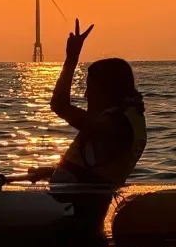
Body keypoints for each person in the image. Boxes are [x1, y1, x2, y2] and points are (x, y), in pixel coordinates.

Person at [27, 20, 146, 190]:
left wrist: (71, 58)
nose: (85, 95)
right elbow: (93, 173)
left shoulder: (113, 126)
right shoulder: (127, 117)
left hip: (77, 208)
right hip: (78, 202)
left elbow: (59, 105)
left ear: (107, 90)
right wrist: (50, 172)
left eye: (89, 89)